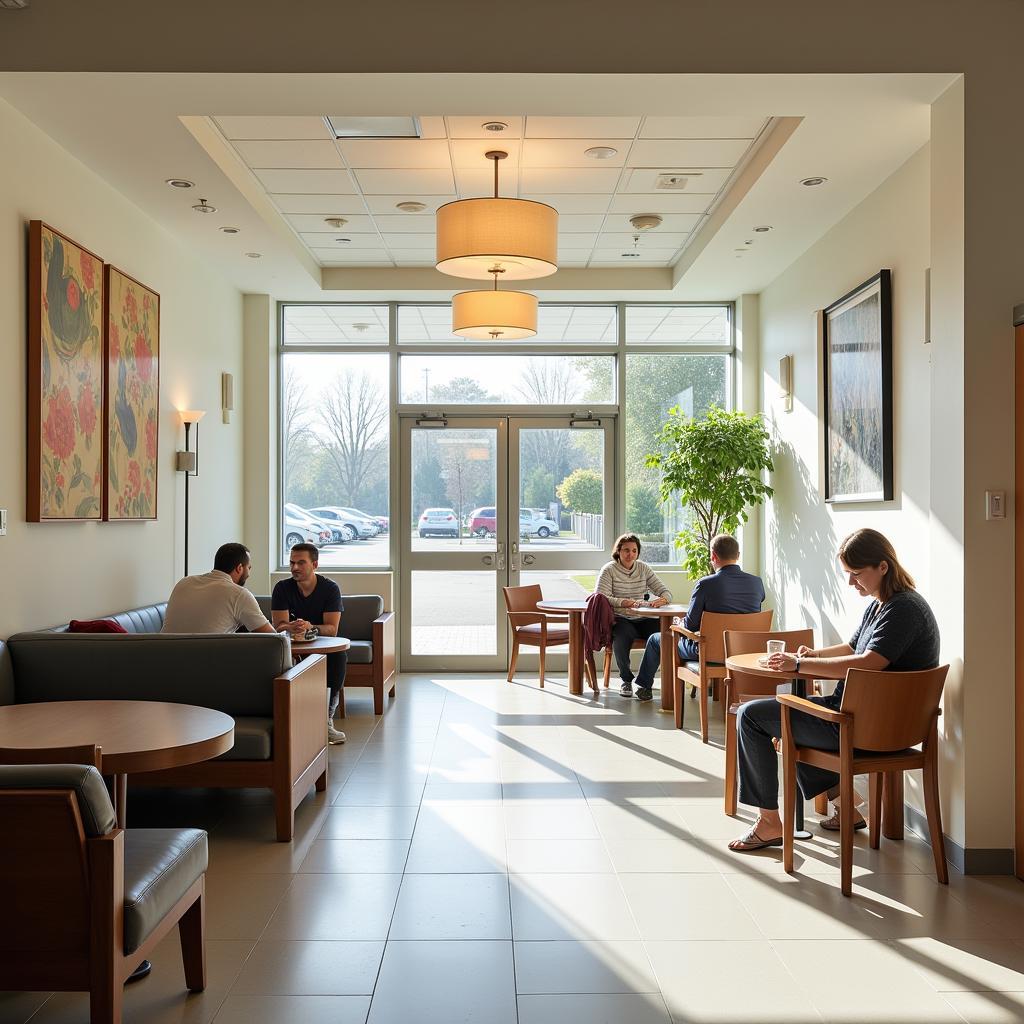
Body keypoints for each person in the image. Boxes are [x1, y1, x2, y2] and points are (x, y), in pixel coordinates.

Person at [728, 528, 940, 852]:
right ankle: (846, 805)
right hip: (867, 718)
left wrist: (798, 667)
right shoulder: (885, 604)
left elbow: (868, 662)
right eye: (848, 574)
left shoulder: (903, 610)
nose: (851, 583)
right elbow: (853, 646)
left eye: (856, 574)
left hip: (864, 726)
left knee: (752, 716)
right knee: (792, 717)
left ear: (883, 567)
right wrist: (812, 655)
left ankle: (769, 823)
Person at [632, 533, 765, 695]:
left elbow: (691, 625)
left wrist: (679, 624)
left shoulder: (705, 584)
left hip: (706, 651)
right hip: (743, 650)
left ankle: (644, 688)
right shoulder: (757, 583)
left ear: (713, 556)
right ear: (738, 555)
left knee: (656, 639)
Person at [271, 543, 348, 745]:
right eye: (292, 562)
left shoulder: (330, 588)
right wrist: (291, 626)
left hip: (322, 644)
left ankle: (326, 719)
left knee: (338, 657)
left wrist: (309, 627)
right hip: (291, 645)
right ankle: (287, 720)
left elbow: (332, 629)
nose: (295, 567)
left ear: (314, 564)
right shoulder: (282, 588)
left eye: (301, 563)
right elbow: (277, 626)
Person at [596, 533, 672, 701]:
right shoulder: (609, 570)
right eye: (626, 550)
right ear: (618, 551)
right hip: (622, 618)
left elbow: (665, 591)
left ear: (638, 552)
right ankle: (626, 680)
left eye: (634, 550)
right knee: (621, 637)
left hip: (644, 617)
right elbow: (601, 597)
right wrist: (624, 603)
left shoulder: (643, 568)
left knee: (666, 635)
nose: (630, 554)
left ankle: (646, 684)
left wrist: (664, 599)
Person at [163, 542, 275, 634]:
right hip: (204, 660)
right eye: (249, 568)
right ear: (239, 568)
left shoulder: (184, 582)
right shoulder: (239, 594)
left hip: (158, 657)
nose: (249, 574)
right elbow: (273, 638)